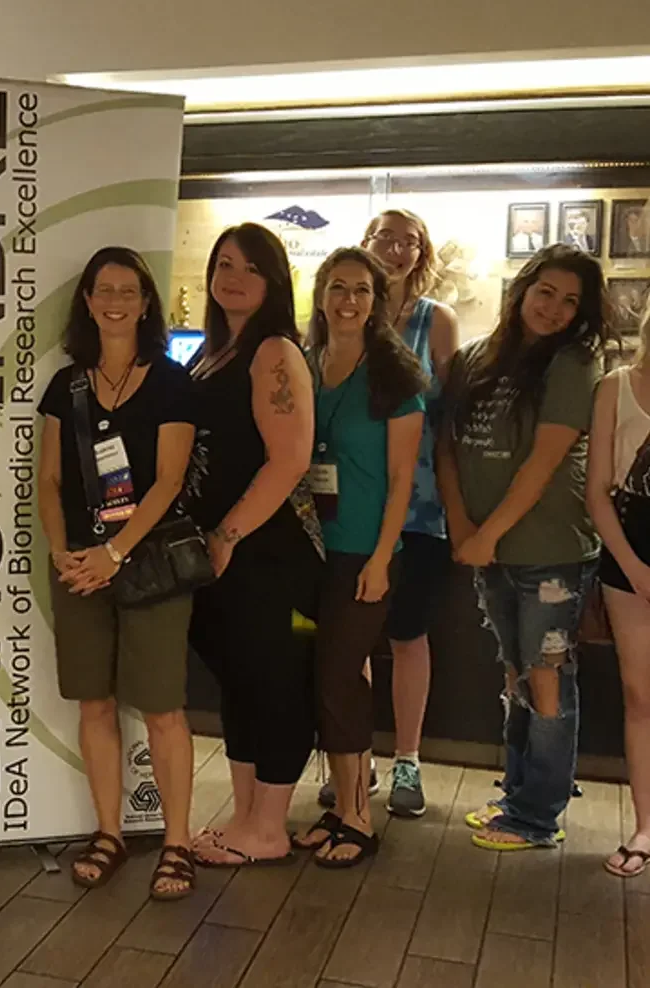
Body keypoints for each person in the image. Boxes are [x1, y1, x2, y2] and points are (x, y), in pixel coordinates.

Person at [37, 246, 198, 900]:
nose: (115, 300)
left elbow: (167, 482)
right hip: (78, 563)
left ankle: (177, 843)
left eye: (128, 290)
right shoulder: (65, 385)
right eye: (104, 289)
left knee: (161, 707)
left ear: (145, 301)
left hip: (148, 561)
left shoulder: (169, 382)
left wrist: (115, 552)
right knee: (94, 702)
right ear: (87, 300)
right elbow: (47, 480)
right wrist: (61, 551)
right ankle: (109, 833)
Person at [438, 244, 606, 851]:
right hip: (492, 554)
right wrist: (462, 525)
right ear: (522, 289)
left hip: (551, 553)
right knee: (516, 674)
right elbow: (448, 448)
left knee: (548, 677)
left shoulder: (574, 360)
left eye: (570, 301)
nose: (555, 309)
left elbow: (546, 459)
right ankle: (517, 796)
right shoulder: (477, 356)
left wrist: (486, 533)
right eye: (546, 293)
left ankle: (538, 816)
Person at [184, 223, 324, 868]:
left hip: (266, 555)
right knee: (239, 684)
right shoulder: (213, 351)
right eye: (223, 264)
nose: (233, 277)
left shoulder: (273, 351)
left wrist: (229, 533)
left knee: (275, 685)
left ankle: (268, 827)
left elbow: (289, 458)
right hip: (219, 557)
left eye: (250, 268)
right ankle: (245, 820)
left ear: (273, 283)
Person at [318, 210, 459, 819]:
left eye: (411, 242)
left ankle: (405, 760)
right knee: (348, 654)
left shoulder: (434, 326)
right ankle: (357, 768)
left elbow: (444, 422)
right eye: (386, 238)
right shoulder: (314, 351)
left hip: (414, 516)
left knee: (403, 636)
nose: (397, 249)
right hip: (337, 524)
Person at [295, 247, 425, 868]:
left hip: (365, 554)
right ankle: (339, 806)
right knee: (324, 680)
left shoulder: (393, 378)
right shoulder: (305, 363)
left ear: (377, 303)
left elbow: (403, 480)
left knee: (340, 680)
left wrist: (380, 559)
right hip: (311, 549)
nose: (349, 300)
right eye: (338, 287)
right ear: (321, 293)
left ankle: (359, 819)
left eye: (363, 291)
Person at [587, 303, 650, 878]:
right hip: (630, 550)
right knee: (640, 696)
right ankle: (645, 825)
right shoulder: (616, 387)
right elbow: (597, 493)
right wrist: (633, 568)